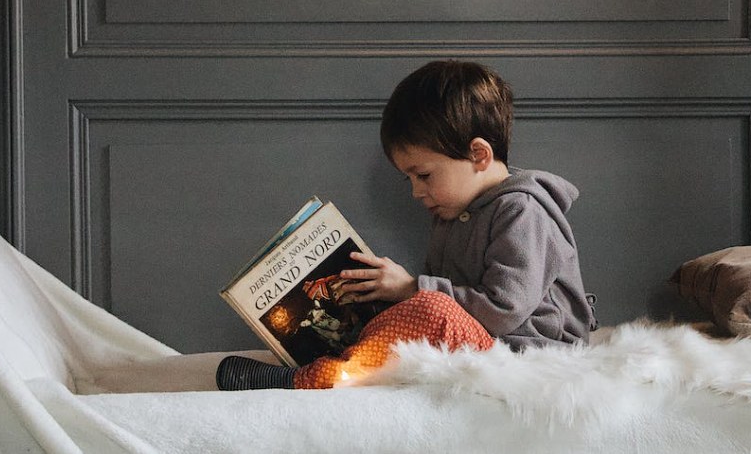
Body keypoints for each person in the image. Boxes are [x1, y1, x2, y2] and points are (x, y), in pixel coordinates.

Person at [217, 59, 596, 390]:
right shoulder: (451, 212)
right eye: (409, 179)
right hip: (483, 344)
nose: (417, 191)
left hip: (529, 356)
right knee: (393, 308)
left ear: (478, 155)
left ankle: (308, 380)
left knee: (431, 311)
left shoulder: (523, 210)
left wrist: (413, 289)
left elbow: (503, 310)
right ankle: (332, 359)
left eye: (424, 175)